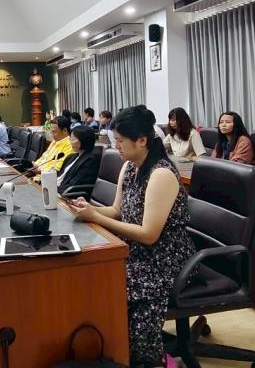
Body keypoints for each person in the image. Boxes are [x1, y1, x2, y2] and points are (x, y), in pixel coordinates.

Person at [66, 106, 194, 368]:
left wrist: (95, 216)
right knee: (94, 275)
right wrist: (87, 209)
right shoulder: (130, 167)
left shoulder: (161, 174)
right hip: (136, 250)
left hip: (166, 258)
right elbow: (116, 210)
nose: (116, 147)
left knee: (111, 285)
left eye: (120, 141)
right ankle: (113, 350)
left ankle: (147, 357)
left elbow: (149, 235)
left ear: (142, 140)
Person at [57, 126, 100, 196]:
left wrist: (55, 190)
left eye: (73, 139)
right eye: (70, 138)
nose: (70, 142)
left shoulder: (90, 161)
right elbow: (60, 176)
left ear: (84, 140)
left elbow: (75, 184)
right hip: (57, 189)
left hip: (66, 195)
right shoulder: (71, 157)